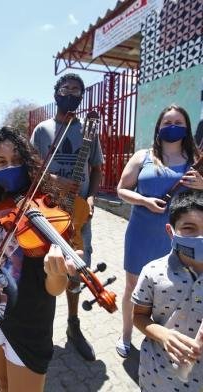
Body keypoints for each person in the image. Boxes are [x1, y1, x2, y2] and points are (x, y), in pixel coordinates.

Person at [0, 126, 76, 392]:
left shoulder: (51, 209)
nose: (10, 166)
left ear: (30, 163)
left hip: (29, 325)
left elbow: (55, 289)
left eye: (17, 161)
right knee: (2, 386)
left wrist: (58, 274)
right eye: (2, 162)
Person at [116, 104, 203, 358]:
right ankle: (126, 335)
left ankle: (168, 337)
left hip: (180, 236)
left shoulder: (195, 160)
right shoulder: (143, 156)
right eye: (167, 123)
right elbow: (122, 189)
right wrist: (144, 201)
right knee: (133, 286)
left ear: (186, 127)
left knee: (172, 286)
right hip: (141, 231)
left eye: (177, 122)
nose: (172, 127)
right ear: (158, 127)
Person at [30, 73, 103, 361]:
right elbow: (31, 171)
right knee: (44, 269)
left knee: (76, 269)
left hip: (79, 216)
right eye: (66, 88)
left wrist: (94, 196)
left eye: (76, 90)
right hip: (48, 212)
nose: (70, 92)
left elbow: (96, 168)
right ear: (56, 92)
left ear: (81, 97)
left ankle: (73, 325)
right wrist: (55, 180)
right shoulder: (42, 130)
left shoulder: (88, 130)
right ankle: (41, 328)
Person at [132, 189, 203, 391]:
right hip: (158, 377)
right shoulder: (153, 272)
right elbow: (139, 316)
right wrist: (163, 335)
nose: (201, 237)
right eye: (189, 228)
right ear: (170, 231)